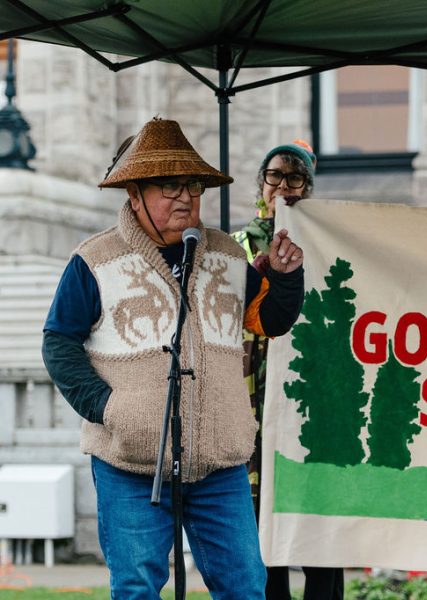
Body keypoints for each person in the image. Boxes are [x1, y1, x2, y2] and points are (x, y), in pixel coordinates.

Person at [41, 117, 304, 600]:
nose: (185, 197)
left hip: (219, 464)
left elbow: (269, 321)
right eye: (169, 186)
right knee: (138, 588)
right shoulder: (93, 260)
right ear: (134, 193)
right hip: (128, 463)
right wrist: (109, 409)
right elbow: (58, 343)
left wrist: (286, 278)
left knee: (247, 587)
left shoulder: (227, 254)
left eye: (194, 186)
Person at [233, 141, 344, 600]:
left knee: (319, 528)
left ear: (308, 189)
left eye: (295, 177)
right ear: (261, 184)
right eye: (275, 175)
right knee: (261, 533)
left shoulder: (328, 243)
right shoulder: (234, 246)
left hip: (312, 397)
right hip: (252, 396)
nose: (283, 185)